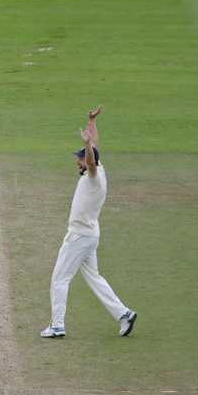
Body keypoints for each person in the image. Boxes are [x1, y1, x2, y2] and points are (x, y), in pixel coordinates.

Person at [40, 106, 137, 338]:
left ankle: (57, 325)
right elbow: (96, 148)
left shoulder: (94, 176)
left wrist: (87, 147)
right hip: (90, 235)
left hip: (79, 235)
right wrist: (91, 122)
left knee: (59, 279)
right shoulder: (99, 169)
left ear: (88, 161)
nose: (78, 162)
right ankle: (124, 314)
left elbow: (92, 159)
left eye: (80, 159)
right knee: (94, 277)